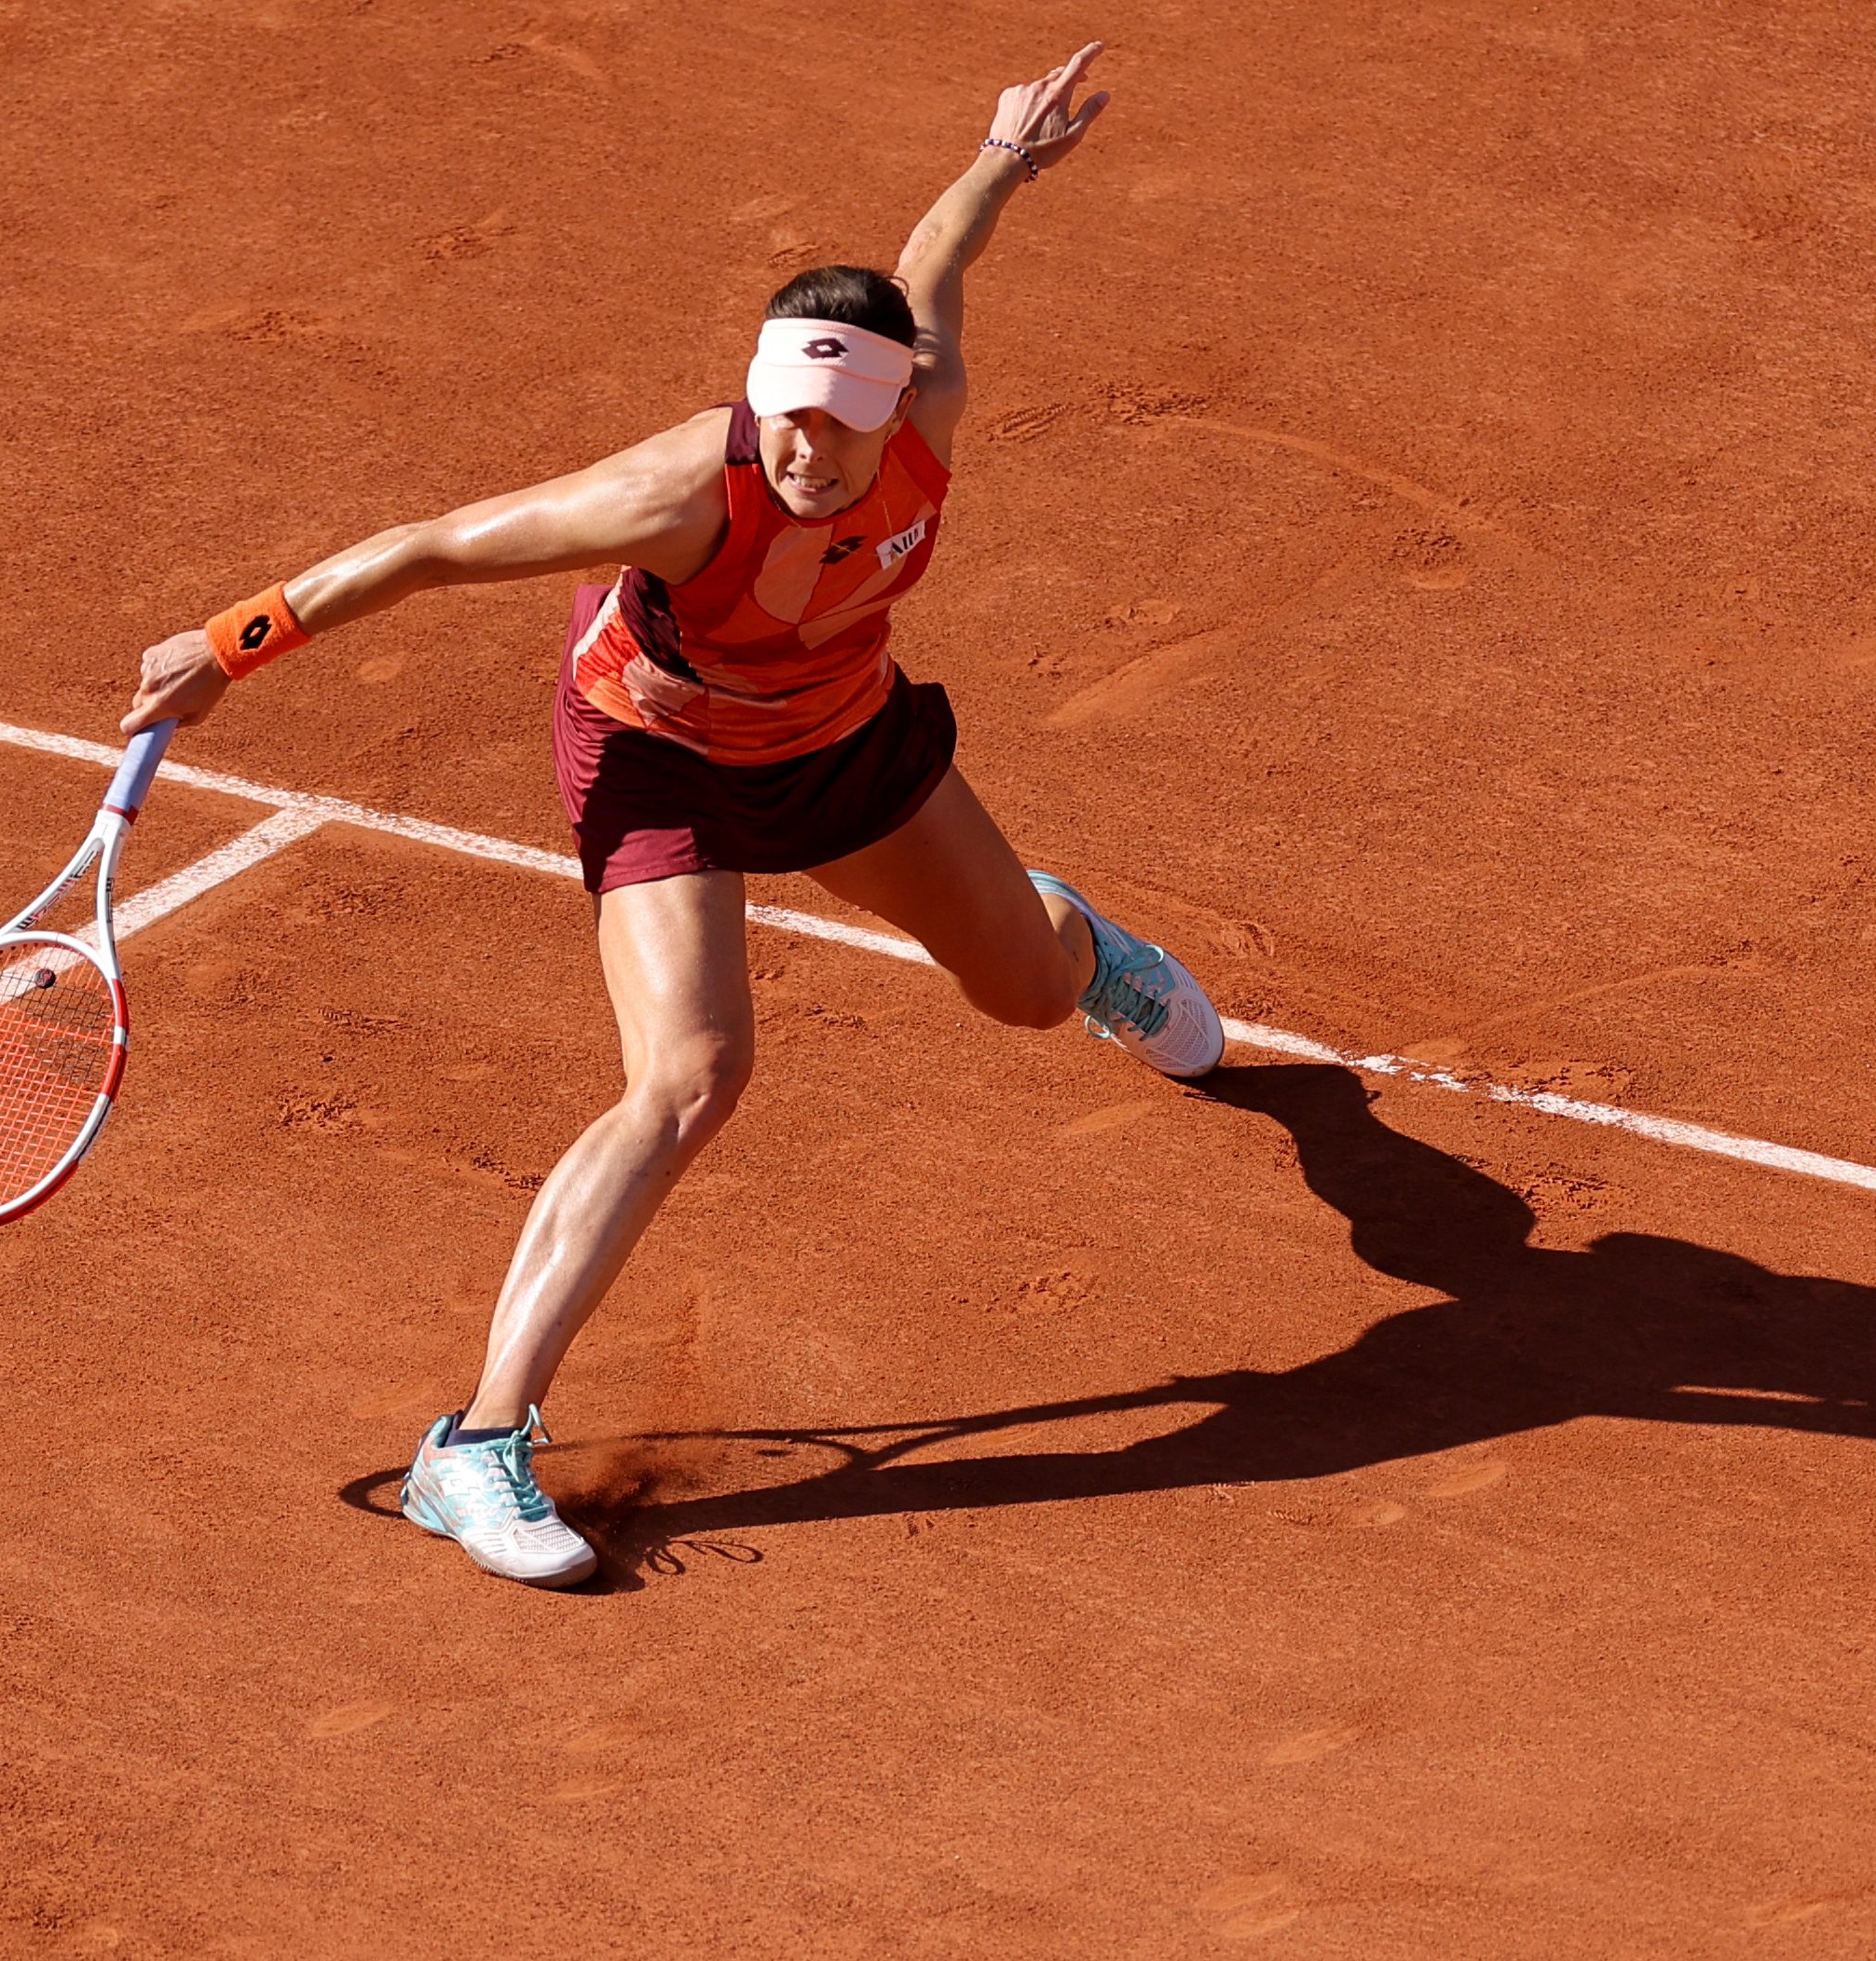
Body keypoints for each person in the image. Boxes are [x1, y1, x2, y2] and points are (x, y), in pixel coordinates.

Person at [118, 42, 1212, 1586]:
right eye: (782, 412)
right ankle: (478, 1444)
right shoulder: (673, 494)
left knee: (1027, 998)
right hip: (661, 761)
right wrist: (234, 644)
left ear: (895, 407)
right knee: (692, 1074)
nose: (800, 445)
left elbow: (932, 261)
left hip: (846, 743)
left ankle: (1073, 944)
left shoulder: (930, 414)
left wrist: (1002, 157)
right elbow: (433, 547)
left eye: (834, 421)